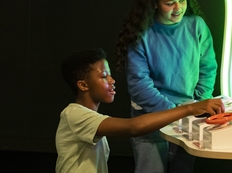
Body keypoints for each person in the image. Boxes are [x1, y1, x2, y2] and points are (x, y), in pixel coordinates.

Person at [55, 48, 223, 173]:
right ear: (83, 85)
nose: (112, 80)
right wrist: (190, 108)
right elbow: (132, 127)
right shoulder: (74, 114)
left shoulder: (90, 118)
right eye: (104, 76)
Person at [115, 0, 218, 173]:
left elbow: (208, 69)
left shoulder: (197, 26)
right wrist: (174, 112)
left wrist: (198, 102)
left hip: (189, 116)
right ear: (154, 3)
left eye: (182, 0)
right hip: (149, 116)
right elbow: (139, 84)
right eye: (170, 3)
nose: (178, 8)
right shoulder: (142, 33)